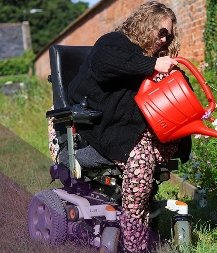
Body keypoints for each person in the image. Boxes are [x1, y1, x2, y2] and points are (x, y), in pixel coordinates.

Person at [65, 1, 191, 252]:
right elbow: (103, 65)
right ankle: (135, 241)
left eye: (170, 35)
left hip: (135, 128)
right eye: (162, 32)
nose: (165, 39)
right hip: (104, 124)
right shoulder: (114, 43)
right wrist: (152, 66)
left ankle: (137, 206)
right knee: (140, 159)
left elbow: (178, 90)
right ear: (147, 25)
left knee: (170, 140)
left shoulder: (156, 57)